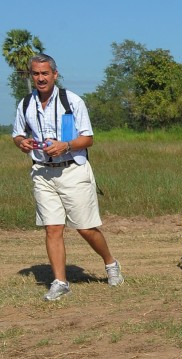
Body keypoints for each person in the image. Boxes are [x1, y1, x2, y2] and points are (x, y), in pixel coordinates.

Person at [11, 53, 123, 301]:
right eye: (36, 74)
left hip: (72, 169)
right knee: (52, 228)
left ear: (55, 75)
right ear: (31, 75)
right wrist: (23, 143)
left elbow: (88, 139)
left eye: (45, 73)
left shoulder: (72, 101)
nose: (40, 78)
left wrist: (67, 145)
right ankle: (60, 282)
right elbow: (17, 134)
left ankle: (110, 263)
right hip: (42, 172)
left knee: (85, 228)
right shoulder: (25, 104)